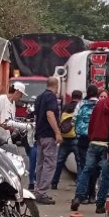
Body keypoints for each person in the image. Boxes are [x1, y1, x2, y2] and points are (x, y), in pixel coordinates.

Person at [76, 75, 109, 213]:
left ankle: (78, 197)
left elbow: (92, 122)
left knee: (87, 170)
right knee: (106, 176)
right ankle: (100, 204)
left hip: (94, 141)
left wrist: (91, 137)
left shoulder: (99, 103)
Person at [32, 76, 63, 205]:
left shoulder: (39, 97)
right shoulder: (51, 97)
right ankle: (42, 192)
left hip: (40, 135)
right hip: (49, 135)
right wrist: (57, 133)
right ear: (57, 86)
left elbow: (36, 116)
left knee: (40, 164)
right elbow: (50, 114)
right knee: (49, 164)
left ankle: (37, 190)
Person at [71, 85, 100, 201]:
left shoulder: (81, 104)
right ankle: (92, 194)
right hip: (96, 138)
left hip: (83, 139)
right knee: (95, 167)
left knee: (84, 167)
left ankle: (82, 195)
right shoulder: (101, 104)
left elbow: (73, 121)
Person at [51, 90, 82, 190]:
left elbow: (60, 120)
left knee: (59, 162)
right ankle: (79, 183)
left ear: (72, 97)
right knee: (79, 162)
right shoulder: (80, 107)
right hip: (76, 138)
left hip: (64, 138)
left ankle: (54, 183)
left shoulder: (65, 107)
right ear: (80, 97)